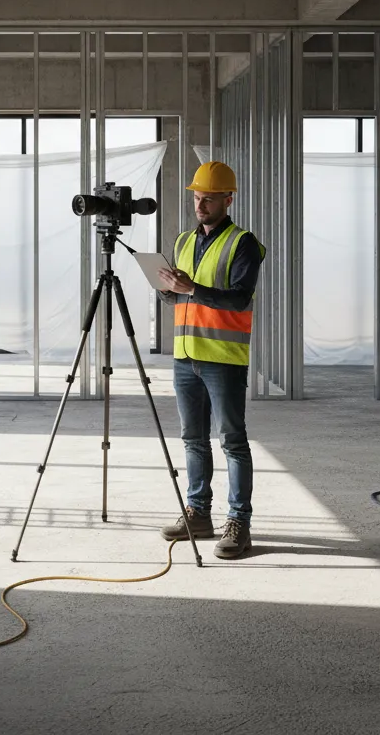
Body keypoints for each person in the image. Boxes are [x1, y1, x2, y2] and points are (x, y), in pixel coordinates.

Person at [156, 161, 265, 560]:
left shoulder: (243, 243)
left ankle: (239, 523)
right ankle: (198, 513)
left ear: (228, 200)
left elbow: (238, 298)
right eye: (197, 198)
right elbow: (178, 296)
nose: (200, 205)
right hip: (185, 357)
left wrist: (192, 289)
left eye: (208, 199)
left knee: (232, 441)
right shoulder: (184, 240)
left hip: (223, 359)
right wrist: (167, 289)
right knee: (193, 440)